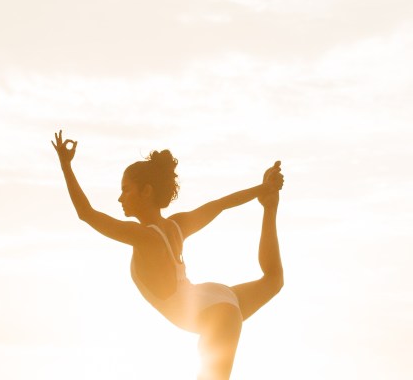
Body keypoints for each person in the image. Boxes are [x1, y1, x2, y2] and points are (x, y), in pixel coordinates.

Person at [51, 129, 284, 380]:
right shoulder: (176, 225)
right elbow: (220, 205)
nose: (120, 198)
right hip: (212, 298)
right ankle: (270, 209)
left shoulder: (145, 237)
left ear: (146, 191)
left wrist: (66, 166)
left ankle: (269, 205)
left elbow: (86, 213)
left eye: (126, 189)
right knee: (273, 280)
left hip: (214, 311)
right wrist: (263, 190)